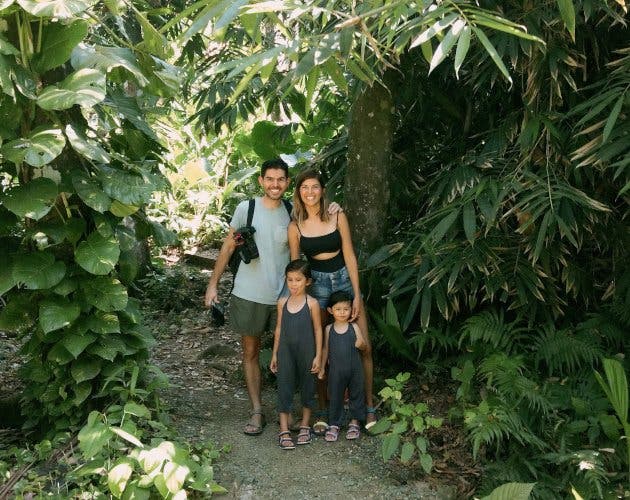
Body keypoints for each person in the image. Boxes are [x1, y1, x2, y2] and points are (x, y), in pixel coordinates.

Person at [204, 159, 340, 436]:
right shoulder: (247, 208)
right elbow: (229, 246)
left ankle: (288, 412)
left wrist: (335, 207)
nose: (275, 184)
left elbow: (318, 221)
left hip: (286, 298)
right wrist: (212, 284)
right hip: (249, 293)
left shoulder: (292, 211)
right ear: (261, 181)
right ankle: (256, 411)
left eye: (280, 179)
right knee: (251, 352)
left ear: (287, 183)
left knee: (290, 355)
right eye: (269, 179)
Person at [288, 169, 376, 432]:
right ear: (299, 192)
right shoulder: (295, 226)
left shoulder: (338, 215)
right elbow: (297, 268)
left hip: (345, 282)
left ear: (323, 190)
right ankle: (326, 410)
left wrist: (357, 294)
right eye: (305, 188)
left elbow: (349, 255)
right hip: (318, 286)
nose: (310, 192)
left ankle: (367, 407)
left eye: (315, 187)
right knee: (323, 349)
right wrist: (300, 301)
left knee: (364, 346)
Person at [270, 259, 323, 449]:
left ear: (307, 281)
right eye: (290, 280)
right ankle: (284, 429)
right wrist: (275, 353)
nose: (293, 284)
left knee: (308, 386)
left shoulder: (312, 303)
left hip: (307, 351)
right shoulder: (282, 302)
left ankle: (304, 426)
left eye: (298, 280)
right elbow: (278, 329)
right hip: (285, 351)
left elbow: (318, 330)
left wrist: (318, 356)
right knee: (284, 385)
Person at [319, 290, 366, 441]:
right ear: (330, 310)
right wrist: (321, 367)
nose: (342, 312)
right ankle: (334, 424)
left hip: (355, 369)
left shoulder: (354, 327)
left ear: (351, 309)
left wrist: (361, 344)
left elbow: (363, 345)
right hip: (336, 370)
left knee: (356, 394)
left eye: (346, 309)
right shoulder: (329, 329)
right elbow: (325, 348)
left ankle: (354, 421)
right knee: (335, 395)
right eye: (338, 309)